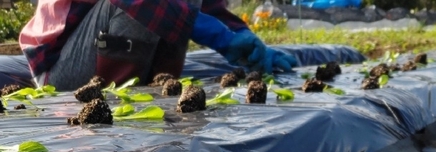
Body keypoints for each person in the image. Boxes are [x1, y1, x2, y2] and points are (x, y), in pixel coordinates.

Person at [19, 0, 298, 90]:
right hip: (61, 70)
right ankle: (109, 109)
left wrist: (244, 39)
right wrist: (217, 35)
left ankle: (152, 95)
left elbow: (207, 7)